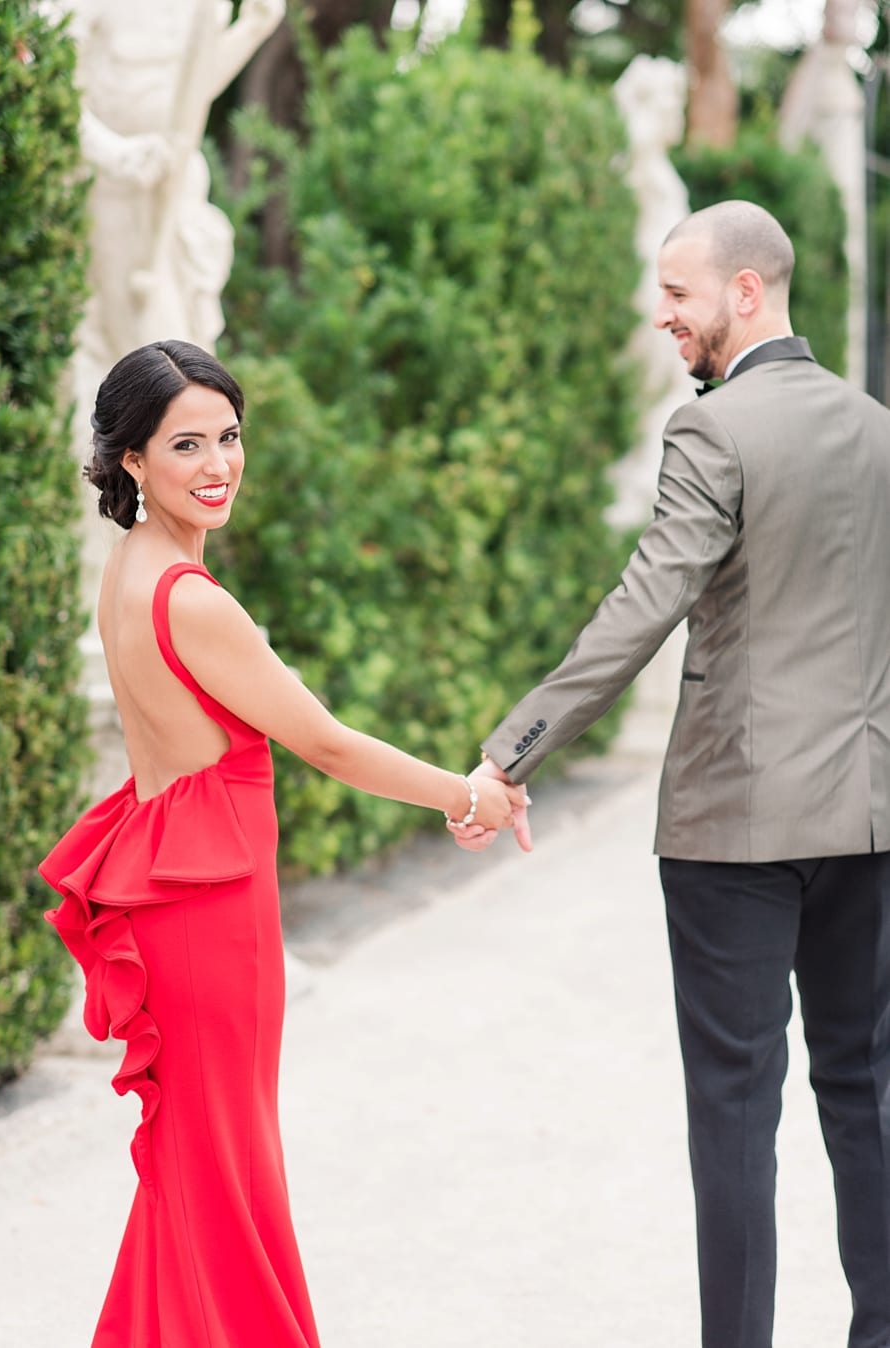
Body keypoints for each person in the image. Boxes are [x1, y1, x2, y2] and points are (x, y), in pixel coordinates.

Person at [453, 200, 890, 1348]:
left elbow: (646, 603)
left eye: (680, 294)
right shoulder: (876, 427)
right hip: (869, 823)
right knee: (869, 1093)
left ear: (747, 292)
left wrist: (511, 748)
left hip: (733, 832)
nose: (665, 317)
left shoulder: (715, 431)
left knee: (737, 1110)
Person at [39, 339, 526, 1348]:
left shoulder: (131, 570)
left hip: (179, 898)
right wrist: (467, 793)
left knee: (198, 1166)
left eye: (229, 436)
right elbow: (327, 742)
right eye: (187, 444)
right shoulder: (192, 601)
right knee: (224, 1171)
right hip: (212, 917)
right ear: (131, 459)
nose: (219, 464)